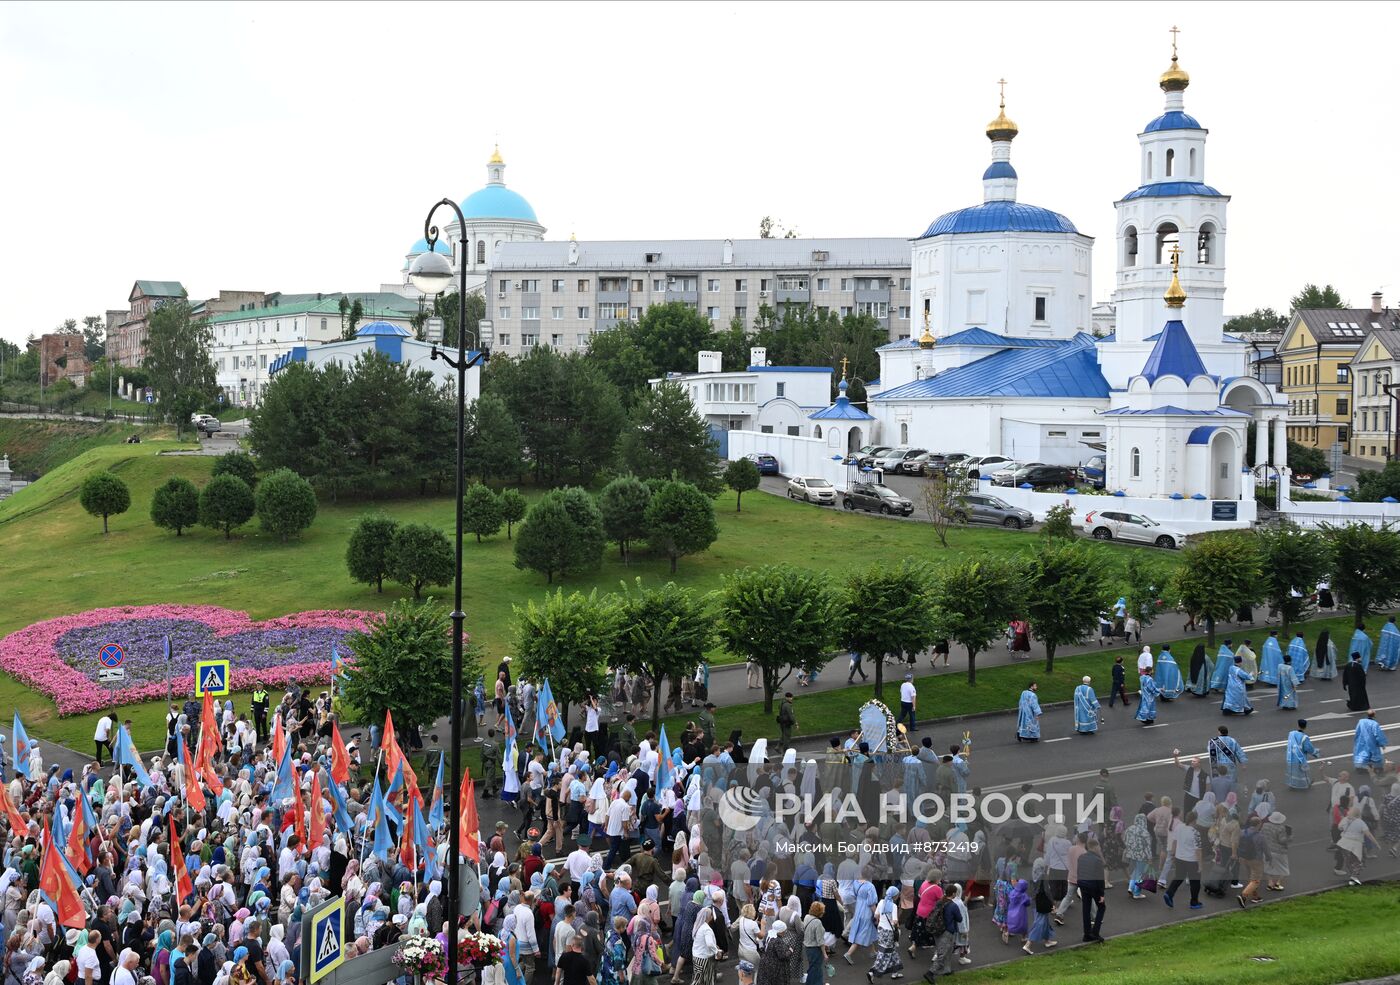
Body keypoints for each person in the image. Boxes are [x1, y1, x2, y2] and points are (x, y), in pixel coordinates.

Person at [1162, 810, 1204, 910]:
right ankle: (1194, 902)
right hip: (1191, 860)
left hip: (1179, 858)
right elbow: (1198, 850)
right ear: (1195, 820)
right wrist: (1200, 864)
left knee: (1179, 877)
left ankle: (1169, 893)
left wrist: (1172, 854)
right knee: (1195, 882)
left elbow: (1174, 842)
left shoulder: (1179, 827)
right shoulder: (1195, 833)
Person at [866, 888, 902, 982]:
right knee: (884, 953)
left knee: (891, 950)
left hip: (881, 930)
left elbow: (876, 915)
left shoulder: (881, 902)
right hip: (889, 932)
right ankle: (872, 972)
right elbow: (895, 921)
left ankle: (895, 971)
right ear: (895, 896)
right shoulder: (893, 906)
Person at [1076, 840, 1107, 942]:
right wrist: (1102, 894)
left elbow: (1079, 871)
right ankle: (1095, 932)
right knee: (1101, 907)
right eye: (1099, 847)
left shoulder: (1081, 858)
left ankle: (1087, 934)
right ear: (1095, 846)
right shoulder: (1097, 860)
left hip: (1083, 885)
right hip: (1094, 887)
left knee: (1086, 909)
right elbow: (1100, 878)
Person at [1285, 720, 1320, 791]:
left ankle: (1292, 783)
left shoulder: (1292, 734)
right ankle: (1306, 784)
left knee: (1293, 771)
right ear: (1305, 727)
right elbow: (1309, 748)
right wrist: (1316, 753)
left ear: (1298, 725)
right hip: (1300, 758)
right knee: (1303, 772)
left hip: (1291, 756)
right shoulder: (1305, 737)